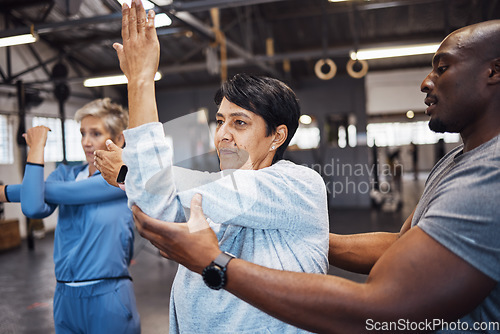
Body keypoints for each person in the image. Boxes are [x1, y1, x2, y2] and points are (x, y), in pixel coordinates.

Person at [132, 19, 500, 333]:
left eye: (442, 67)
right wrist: (304, 238)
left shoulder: (491, 172)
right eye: (220, 122)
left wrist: (217, 264)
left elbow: (385, 309)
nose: (425, 82)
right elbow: (404, 244)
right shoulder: (455, 161)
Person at [103, 1, 329, 333]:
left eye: (240, 123)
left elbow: (158, 187)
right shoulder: (216, 194)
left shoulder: (297, 184)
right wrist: (133, 176)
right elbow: (155, 212)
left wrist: (140, 81)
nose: (222, 134)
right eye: (220, 121)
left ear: (277, 135)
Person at [0, 98, 140, 334]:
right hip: (65, 297)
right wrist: (36, 148)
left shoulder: (124, 180)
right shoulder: (64, 174)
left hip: (108, 296)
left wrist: (5, 192)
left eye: (95, 133)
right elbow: (33, 208)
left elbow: (67, 193)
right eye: (82, 133)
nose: (86, 142)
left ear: (118, 139)